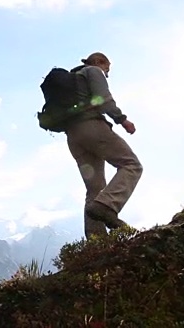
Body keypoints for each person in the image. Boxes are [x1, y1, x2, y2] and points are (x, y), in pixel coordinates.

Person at [65, 52, 143, 239]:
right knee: (132, 165)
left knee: (95, 188)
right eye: (107, 69)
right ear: (100, 62)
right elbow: (102, 98)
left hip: (73, 136)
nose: (107, 74)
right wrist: (122, 119)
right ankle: (107, 206)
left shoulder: (72, 79)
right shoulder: (93, 71)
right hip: (92, 127)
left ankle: (96, 240)